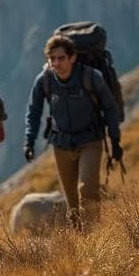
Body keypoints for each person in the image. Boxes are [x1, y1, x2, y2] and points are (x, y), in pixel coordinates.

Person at [24, 33, 122, 227]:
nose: (56, 63)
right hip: (61, 144)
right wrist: (29, 140)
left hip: (90, 141)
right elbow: (34, 111)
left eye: (61, 58)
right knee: (72, 202)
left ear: (73, 57)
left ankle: (94, 236)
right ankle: (80, 239)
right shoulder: (44, 80)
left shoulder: (91, 77)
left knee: (87, 189)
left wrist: (115, 140)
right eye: (52, 58)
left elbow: (110, 108)